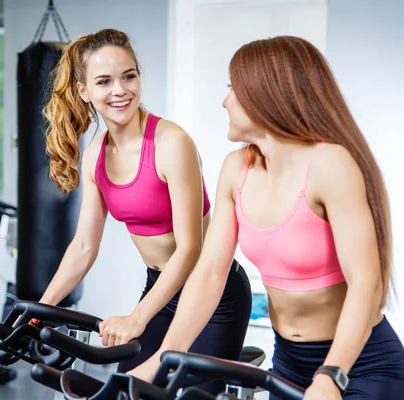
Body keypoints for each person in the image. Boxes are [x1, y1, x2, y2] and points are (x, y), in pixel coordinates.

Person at [128, 35, 404, 399]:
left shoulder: (329, 165)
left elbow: (366, 283)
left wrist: (331, 374)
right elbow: (211, 273)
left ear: (266, 94)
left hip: (360, 368)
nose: (224, 100)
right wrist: (163, 359)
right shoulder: (237, 169)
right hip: (289, 366)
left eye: (233, 87)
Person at [36, 28, 252, 395]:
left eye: (129, 76)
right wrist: (41, 308)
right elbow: (85, 246)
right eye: (104, 81)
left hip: (212, 292)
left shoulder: (171, 143)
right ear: (83, 91)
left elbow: (190, 249)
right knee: (127, 392)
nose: (120, 90)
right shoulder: (95, 156)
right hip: (160, 289)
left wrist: (138, 318)